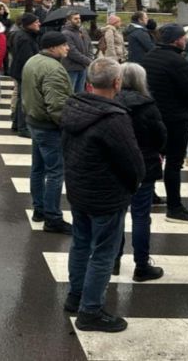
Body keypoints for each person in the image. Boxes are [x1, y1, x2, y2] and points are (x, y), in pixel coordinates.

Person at [62, 57, 145, 333]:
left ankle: (76, 296)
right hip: (107, 195)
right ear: (117, 83)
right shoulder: (114, 118)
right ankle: (91, 310)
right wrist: (133, 185)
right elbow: (132, 162)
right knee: (103, 253)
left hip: (79, 188)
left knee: (81, 244)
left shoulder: (74, 107)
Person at [142, 23, 188, 224]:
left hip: (151, 115)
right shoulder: (178, 62)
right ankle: (175, 207)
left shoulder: (149, 56)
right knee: (174, 163)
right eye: (183, 37)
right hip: (175, 119)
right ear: (177, 40)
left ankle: (150, 195)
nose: (185, 40)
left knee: (152, 156)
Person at [114, 63, 167, 282]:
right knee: (141, 216)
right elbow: (160, 136)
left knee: (116, 215)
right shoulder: (148, 106)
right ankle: (141, 264)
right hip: (144, 165)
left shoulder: (112, 102)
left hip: (117, 165)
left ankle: (113, 260)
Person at [22, 31, 74, 234]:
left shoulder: (33, 61)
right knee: (55, 172)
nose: (67, 48)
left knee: (38, 168)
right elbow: (57, 106)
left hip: (34, 121)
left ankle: (39, 209)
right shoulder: (54, 69)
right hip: (49, 127)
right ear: (52, 48)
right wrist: (68, 126)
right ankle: (52, 217)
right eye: (64, 45)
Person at [8, 13, 41, 137]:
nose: (39, 24)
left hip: (19, 71)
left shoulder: (24, 35)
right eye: (36, 22)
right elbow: (27, 59)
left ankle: (16, 124)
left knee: (21, 98)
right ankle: (23, 127)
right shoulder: (25, 38)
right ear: (29, 24)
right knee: (24, 100)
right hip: (24, 72)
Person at [61, 12, 93, 93]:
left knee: (80, 93)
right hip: (71, 68)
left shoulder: (82, 30)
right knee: (71, 92)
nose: (78, 20)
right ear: (68, 20)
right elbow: (72, 52)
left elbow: (90, 45)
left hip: (83, 67)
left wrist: (90, 58)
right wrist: (88, 61)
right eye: (75, 18)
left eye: (79, 18)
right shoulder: (66, 33)